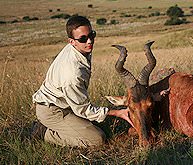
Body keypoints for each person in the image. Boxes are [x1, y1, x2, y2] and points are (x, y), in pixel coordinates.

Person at [31, 15, 133, 147]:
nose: (89, 41)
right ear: (71, 41)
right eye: (83, 38)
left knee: (100, 126)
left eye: (92, 35)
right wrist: (117, 112)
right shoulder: (72, 73)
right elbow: (82, 109)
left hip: (67, 104)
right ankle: (43, 132)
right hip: (53, 111)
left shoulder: (79, 48)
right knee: (97, 139)